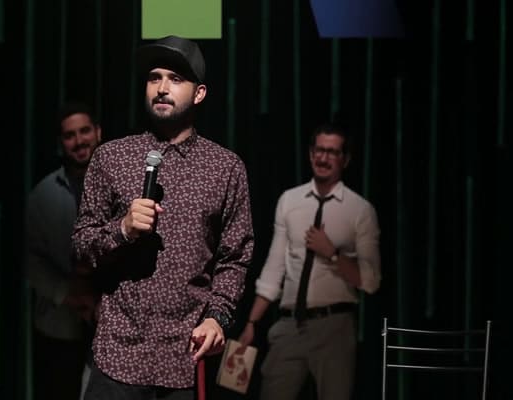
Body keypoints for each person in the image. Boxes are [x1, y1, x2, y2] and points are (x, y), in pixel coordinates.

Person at [72, 35, 254, 400]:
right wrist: (122, 229)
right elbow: (81, 246)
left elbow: (235, 256)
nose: (162, 88)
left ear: (199, 93)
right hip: (118, 354)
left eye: (175, 79)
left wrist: (217, 317)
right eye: (154, 78)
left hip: (184, 357)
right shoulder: (112, 157)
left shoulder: (225, 167)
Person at [237, 123, 381, 400]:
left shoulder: (360, 210)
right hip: (290, 325)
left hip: (334, 327)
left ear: (345, 160)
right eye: (319, 150)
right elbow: (274, 268)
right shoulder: (290, 201)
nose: (323, 158)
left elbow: (371, 281)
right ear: (310, 153)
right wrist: (251, 323)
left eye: (332, 152)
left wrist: (333, 254)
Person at [25, 102, 102, 400]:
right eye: (70, 135)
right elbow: (30, 261)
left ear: (98, 132)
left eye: (85, 131)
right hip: (58, 328)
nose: (79, 141)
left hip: (109, 329)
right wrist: (70, 294)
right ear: (61, 143)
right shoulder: (43, 194)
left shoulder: (121, 187)